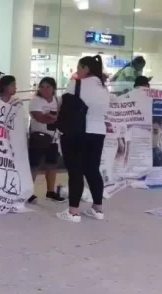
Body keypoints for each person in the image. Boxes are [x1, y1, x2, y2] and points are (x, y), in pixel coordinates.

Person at [57, 55, 111, 223]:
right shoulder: (104, 89)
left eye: (79, 67)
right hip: (98, 133)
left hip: (78, 132)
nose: (77, 71)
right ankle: (98, 209)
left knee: (76, 171)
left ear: (86, 68)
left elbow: (63, 105)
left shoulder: (76, 84)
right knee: (92, 170)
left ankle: (73, 212)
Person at [27, 77, 66, 203]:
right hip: (38, 137)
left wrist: (52, 118)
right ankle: (29, 192)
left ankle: (50, 191)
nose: (44, 89)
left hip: (53, 138)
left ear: (53, 88)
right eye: (42, 86)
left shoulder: (57, 100)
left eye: (48, 86)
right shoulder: (35, 101)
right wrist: (55, 118)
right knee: (34, 165)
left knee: (52, 165)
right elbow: (39, 117)